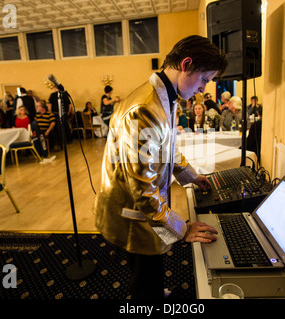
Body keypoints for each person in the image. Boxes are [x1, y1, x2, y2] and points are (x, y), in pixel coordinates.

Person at [93, 35, 227, 300]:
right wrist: (182, 228)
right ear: (186, 64)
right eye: (204, 79)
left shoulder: (163, 95)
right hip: (133, 209)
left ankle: (149, 292)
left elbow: (166, 146)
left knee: (147, 269)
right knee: (145, 268)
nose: (203, 89)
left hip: (142, 205)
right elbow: (143, 191)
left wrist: (191, 176)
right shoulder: (145, 108)